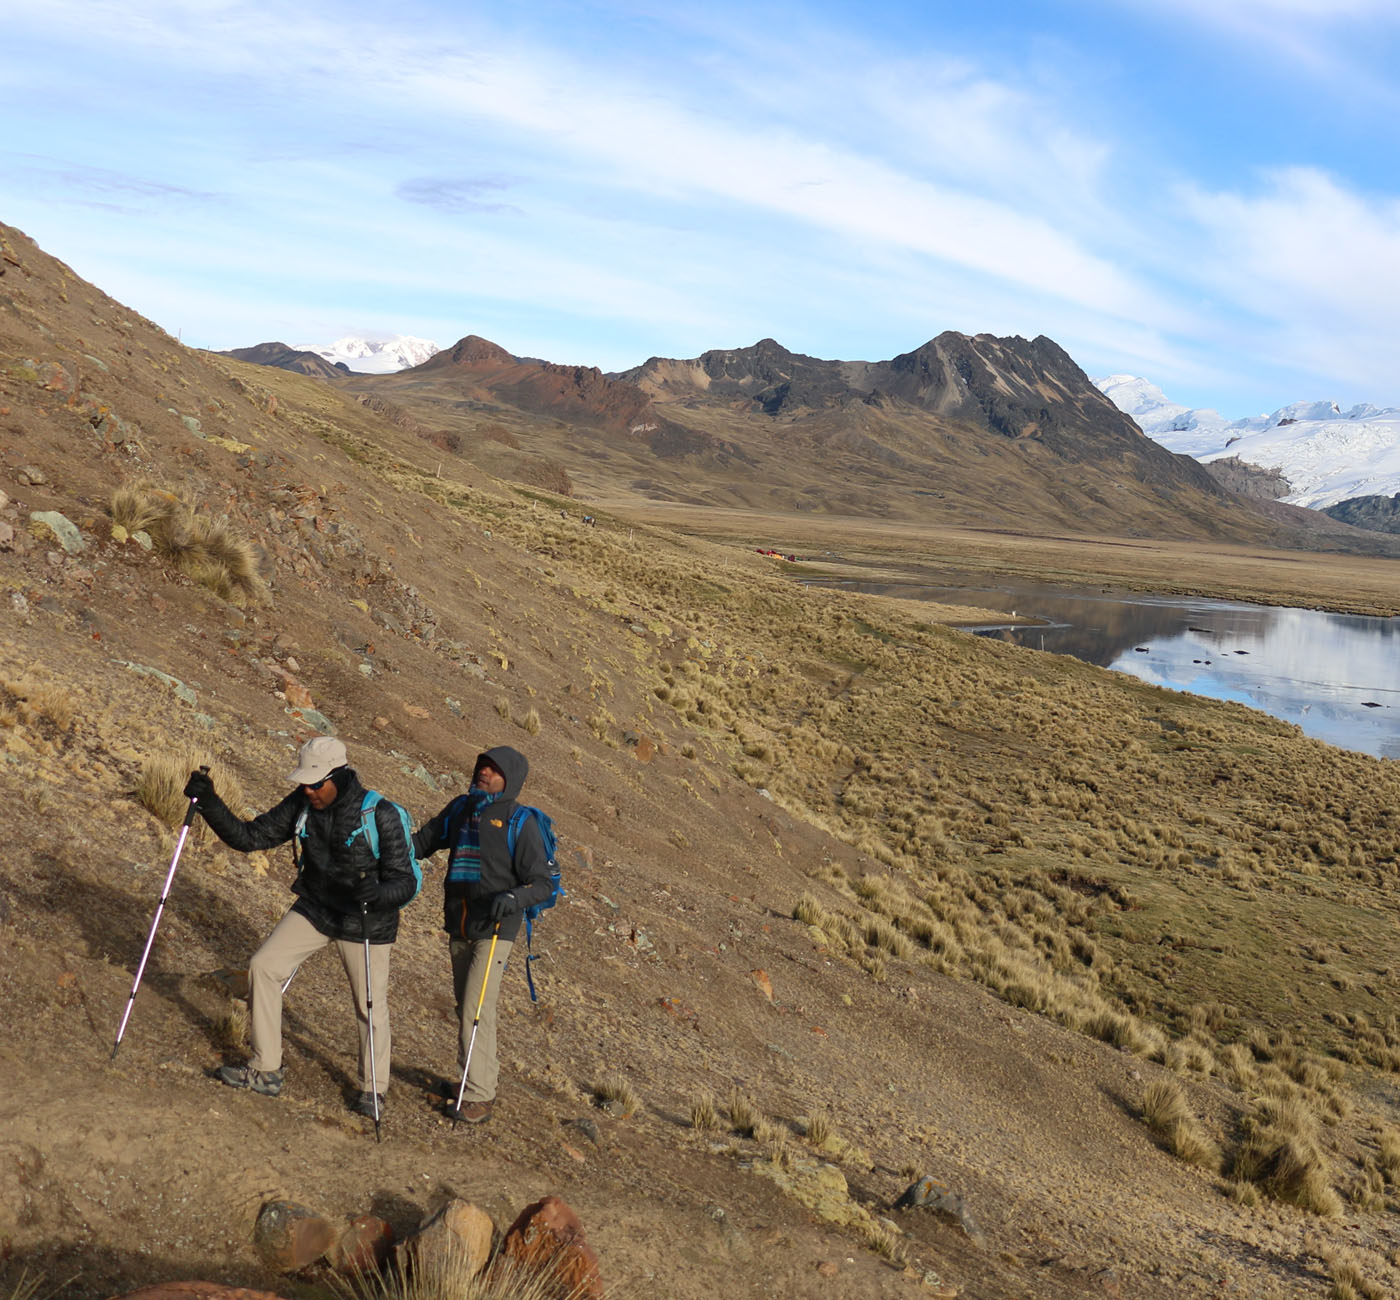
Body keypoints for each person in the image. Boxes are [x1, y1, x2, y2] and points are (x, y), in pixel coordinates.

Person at [183, 736, 417, 1116]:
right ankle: (265, 1069)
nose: (308, 790)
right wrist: (209, 803)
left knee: (369, 1006)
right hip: (317, 908)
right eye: (303, 783)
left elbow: (404, 883)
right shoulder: (302, 803)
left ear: (339, 776)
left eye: (315, 783)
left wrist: (375, 893)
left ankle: (374, 1090)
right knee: (264, 966)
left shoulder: (381, 815)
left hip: (366, 921)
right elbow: (250, 837)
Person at [413, 745, 551, 1123]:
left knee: (475, 1008)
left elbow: (543, 883)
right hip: (460, 923)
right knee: (471, 1009)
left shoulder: (520, 822)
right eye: (482, 767)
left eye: (494, 770)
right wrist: (388, 853)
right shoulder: (461, 809)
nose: (484, 773)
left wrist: (513, 897)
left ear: (511, 780)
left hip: (496, 929)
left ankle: (478, 1094)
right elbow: (423, 843)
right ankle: (477, 1080)